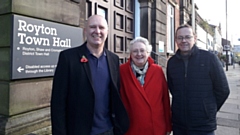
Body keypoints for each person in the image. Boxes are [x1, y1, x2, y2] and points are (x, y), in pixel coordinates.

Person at [51, 15, 129, 135]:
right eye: (93, 27)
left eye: (101, 28)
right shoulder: (68, 58)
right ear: (85, 31)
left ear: (107, 32)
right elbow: (58, 103)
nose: (97, 31)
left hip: (108, 130)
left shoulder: (114, 59)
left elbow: (115, 95)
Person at [167, 24, 230, 135]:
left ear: (194, 38)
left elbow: (223, 90)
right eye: (180, 37)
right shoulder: (172, 62)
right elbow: (173, 89)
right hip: (179, 124)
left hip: (203, 125)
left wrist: (208, 110)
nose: (184, 40)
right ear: (176, 40)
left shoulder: (209, 58)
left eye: (188, 37)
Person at [120, 37, 172, 135]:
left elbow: (165, 99)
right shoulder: (122, 71)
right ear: (130, 53)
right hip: (132, 128)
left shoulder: (157, 70)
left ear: (148, 53)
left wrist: (168, 126)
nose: (139, 54)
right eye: (135, 51)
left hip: (156, 128)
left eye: (142, 50)